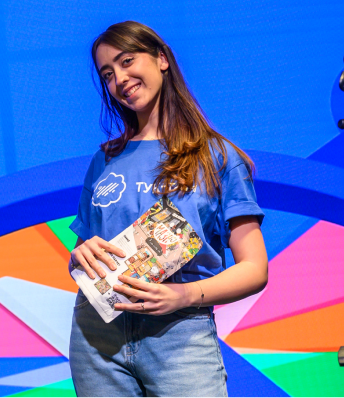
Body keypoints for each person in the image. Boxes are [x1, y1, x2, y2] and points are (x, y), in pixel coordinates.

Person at [67, 21, 269, 396]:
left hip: (181, 332)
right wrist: (81, 256)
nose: (120, 79)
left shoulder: (218, 156)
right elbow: (81, 257)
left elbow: (255, 269)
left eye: (127, 61)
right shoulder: (105, 160)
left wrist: (183, 297)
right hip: (96, 334)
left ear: (161, 59)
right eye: (108, 74)